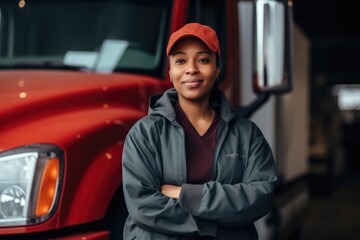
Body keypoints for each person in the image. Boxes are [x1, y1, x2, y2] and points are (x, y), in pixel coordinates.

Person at [122, 22, 278, 240]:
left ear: (217, 70)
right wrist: (212, 227)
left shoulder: (248, 136)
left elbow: (260, 197)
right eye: (180, 61)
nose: (191, 68)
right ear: (170, 73)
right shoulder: (144, 134)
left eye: (203, 60)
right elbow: (143, 207)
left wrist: (186, 194)